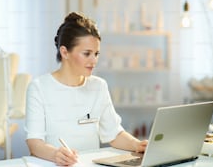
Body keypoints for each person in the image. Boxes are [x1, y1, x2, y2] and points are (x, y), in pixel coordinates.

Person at [25, 12, 148, 166]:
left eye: (96, 54)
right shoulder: (39, 88)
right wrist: (56, 155)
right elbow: (34, 143)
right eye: (87, 54)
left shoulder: (99, 86)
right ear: (64, 52)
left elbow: (114, 133)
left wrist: (137, 145)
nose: (94, 60)